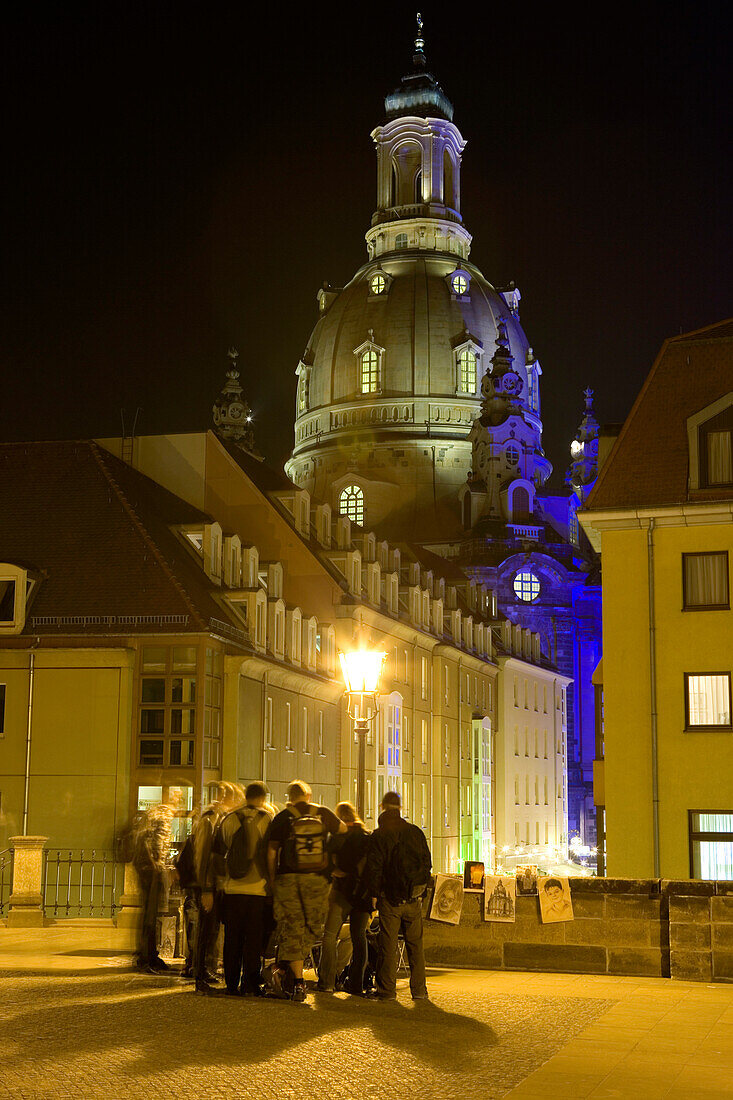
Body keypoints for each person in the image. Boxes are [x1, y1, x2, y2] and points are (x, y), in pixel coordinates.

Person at [267, 779, 346, 1002]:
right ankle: (292, 974)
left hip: (289, 879)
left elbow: (272, 851)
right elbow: (343, 831)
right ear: (308, 796)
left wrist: (272, 879)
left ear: (289, 798)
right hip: (317, 881)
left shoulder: (282, 817)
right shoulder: (322, 812)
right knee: (311, 929)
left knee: (292, 927)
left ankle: (291, 975)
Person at [365, 790, 432, 1002]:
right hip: (413, 897)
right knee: (415, 946)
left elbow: (374, 869)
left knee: (388, 945)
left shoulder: (379, 835)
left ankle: (387, 990)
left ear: (382, 807)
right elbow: (427, 863)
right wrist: (420, 890)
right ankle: (419, 990)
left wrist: (374, 895)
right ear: (400, 808)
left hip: (390, 898)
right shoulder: (415, 832)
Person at [217, 781, 273, 996]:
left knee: (232, 939)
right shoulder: (266, 819)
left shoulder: (229, 819)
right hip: (258, 891)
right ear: (262, 798)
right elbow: (271, 854)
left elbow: (218, 853)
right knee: (253, 940)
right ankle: (250, 983)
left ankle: (231, 983)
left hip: (233, 890)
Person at [317, 801, 371, 996]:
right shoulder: (366, 836)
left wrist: (338, 872)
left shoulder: (338, 837)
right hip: (363, 894)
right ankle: (356, 984)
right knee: (359, 937)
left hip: (342, 893)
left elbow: (327, 862)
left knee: (330, 935)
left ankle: (327, 981)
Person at [193, 782, 241, 995]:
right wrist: (206, 887)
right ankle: (200, 972)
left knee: (211, 929)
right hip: (207, 885)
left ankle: (206, 969)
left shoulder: (218, 819)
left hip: (213, 885)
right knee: (206, 929)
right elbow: (203, 857)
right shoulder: (210, 820)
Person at [132, 803, 173, 973]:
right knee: (149, 918)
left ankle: (150, 955)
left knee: (151, 917)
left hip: (151, 874)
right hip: (151, 875)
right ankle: (145, 958)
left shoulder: (148, 832)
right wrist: (157, 866)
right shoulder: (152, 834)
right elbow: (155, 851)